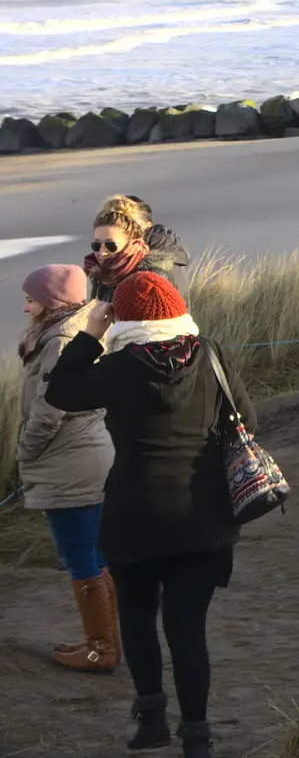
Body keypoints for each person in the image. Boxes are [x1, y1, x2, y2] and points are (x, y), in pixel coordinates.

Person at [45, 272, 252, 758]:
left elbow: (60, 392)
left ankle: (151, 719)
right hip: (203, 517)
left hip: (132, 516)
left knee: (138, 618)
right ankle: (197, 736)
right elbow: (249, 419)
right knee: (188, 630)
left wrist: (90, 333)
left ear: (124, 319)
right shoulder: (212, 354)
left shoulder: (119, 365)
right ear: (178, 310)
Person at [17, 263, 117, 673]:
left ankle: (101, 647)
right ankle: (105, 641)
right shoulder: (79, 328)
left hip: (70, 459)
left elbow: (49, 407)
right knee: (93, 551)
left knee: (79, 553)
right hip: (86, 454)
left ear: (52, 301)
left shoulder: (61, 338)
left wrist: (26, 450)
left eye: (30, 299)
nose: (25, 308)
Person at [84, 195, 189, 305]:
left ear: (134, 238)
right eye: (96, 245)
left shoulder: (149, 277)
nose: (102, 252)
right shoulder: (104, 272)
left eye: (111, 245)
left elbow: (151, 320)